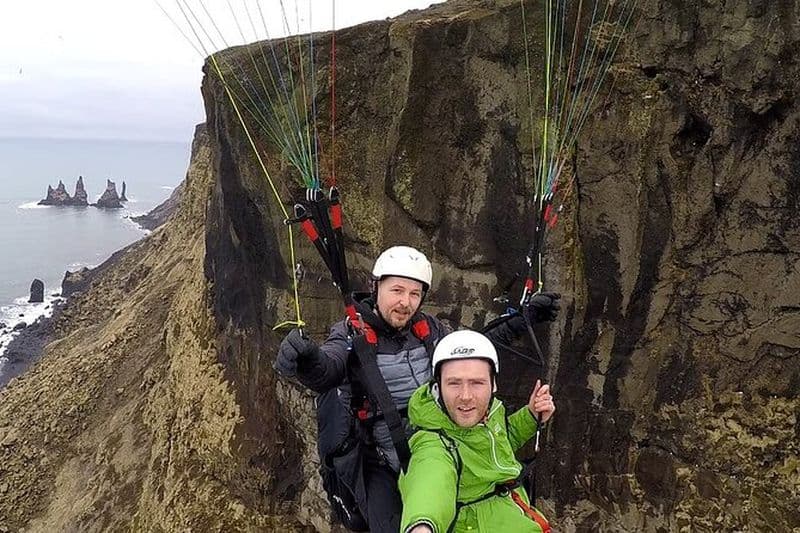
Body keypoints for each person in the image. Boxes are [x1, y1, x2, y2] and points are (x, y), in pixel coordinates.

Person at [275, 246, 559, 532]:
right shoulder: (352, 333)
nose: (405, 303)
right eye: (397, 291)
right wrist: (308, 361)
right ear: (376, 288)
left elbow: (470, 352)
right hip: (383, 457)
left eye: (414, 294)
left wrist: (524, 320)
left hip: (440, 444)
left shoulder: (428, 328)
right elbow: (328, 369)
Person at [399, 330, 555, 533]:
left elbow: (499, 442)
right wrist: (422, 526)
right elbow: (430, 481)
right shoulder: (433, 442)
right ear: (437, 386)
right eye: (454, 383)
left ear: (493, 385)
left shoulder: (490, 413)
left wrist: (531, 415)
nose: (465, 396)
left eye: (477, 383)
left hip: (518, 514)